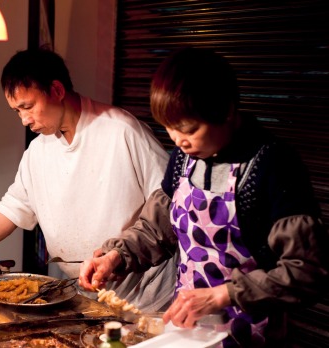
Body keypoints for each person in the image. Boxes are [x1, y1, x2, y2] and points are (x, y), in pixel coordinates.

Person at [78, 47, 328, 347]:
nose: (177, 140)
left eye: (189, 129)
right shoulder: (184, 158)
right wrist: (116, 256)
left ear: (226, 111)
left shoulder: (273, 165)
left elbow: (307, 270)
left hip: (251, 334)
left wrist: (224, 294)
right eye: (169, 128)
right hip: (188, 330)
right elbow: (156, 229)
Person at [0, 48, 178, 313]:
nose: (25, 119)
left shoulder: (122, 131)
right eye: (16, 111)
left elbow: (171, 204)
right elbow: (12, 209)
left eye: (28, 107)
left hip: (149, 299)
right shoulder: (38, 151)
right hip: (89, 296)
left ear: (57, 90)